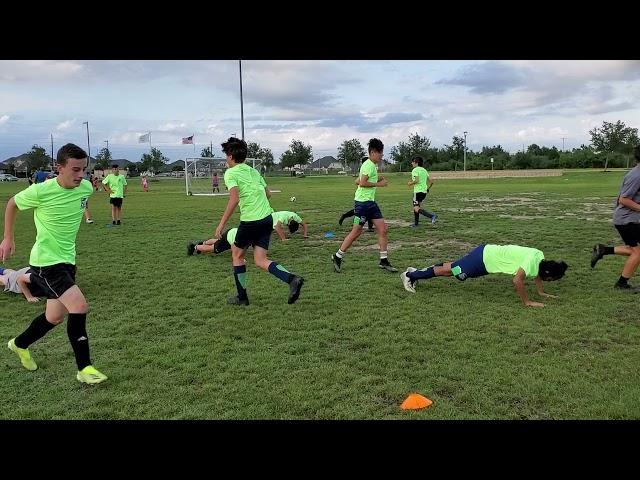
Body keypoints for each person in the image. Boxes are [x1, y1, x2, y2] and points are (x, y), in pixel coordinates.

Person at [0, 143, 107, 384]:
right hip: (46, 263)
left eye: (84, 170)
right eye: (75, 170)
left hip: (67, 261)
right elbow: (12, 204)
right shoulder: (41, 191)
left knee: (54, 318)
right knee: (79, 306)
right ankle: (85, 368)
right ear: (59, 168)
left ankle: (19, 344)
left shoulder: (86, 188)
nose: (81, 175)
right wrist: (8, 237)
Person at [214, 137, 304, 306]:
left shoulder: (231, 173)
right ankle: (292, 279)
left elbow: (233, 200)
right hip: (267, 219)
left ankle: (242, 297)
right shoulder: (253, 171)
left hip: (251, 221)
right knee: (260, 260)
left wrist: (221, 224)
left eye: (226, 155)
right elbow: (268, 194)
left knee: (237, 255)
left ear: (231, 156)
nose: (226, 159)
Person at [400, 244, 568, 307]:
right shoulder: (532, 263)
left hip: (486, 258)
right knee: (454, 272)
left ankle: (416, 272)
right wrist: (527, 301)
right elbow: (517, 280)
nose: (548, 280)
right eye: (551, 279)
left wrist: (540, 292)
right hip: (482, 260)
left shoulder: (540, 257)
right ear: (548, 273)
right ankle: (411, 275)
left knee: (451, 268)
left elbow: (536, 275)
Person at [332, 138, 397, 273]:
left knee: (383, 229)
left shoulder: (372, 166)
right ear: (373, 152)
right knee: (356, 232)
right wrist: (379, 184)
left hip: (370, 203)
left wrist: (379, 178)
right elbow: (362, 183)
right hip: (362, 204)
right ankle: (337, 256)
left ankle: (383, 260)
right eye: (380, 153)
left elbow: (359, 180)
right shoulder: (368, 165)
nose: (381, 156)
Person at [591, 145, 640, 292]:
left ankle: (603, 250)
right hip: (627, 220)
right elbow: (623, 200)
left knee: (634, 250)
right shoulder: (636, 175)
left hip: (631, 219)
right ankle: (621, 284)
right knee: (638, 252)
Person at [338, 158, 374, 232]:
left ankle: (369, 227)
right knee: (363, 212)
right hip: (363, 196)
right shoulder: (365, 170)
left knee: (367, 211)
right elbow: (357, 181)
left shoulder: (367, 169)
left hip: (367, 195)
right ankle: (357, 226)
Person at [407, 156, 436, 227]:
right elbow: (431, 182)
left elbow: (416, 180)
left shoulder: (415, 170)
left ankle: (431, 216)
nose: (412, 163)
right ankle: (416, 224)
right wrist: (428, 189)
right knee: (417, 207)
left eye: (413, 162)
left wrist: (410, 183)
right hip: (424, 192)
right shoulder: (424, 170)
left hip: (417, 192)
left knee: (416, 208)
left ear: (416, 163)